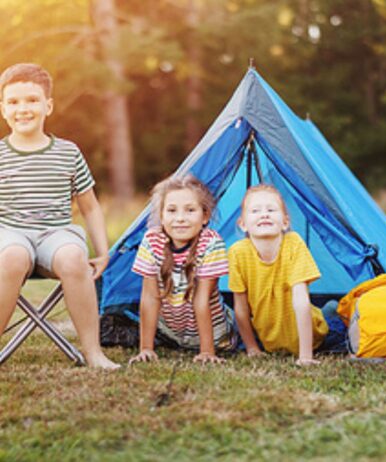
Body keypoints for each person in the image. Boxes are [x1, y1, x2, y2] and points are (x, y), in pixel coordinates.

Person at [0, 63, 119, 369]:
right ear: (2, 109)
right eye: (13, 102)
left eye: (31, 100)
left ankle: (93, 352)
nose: (22, 109)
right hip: (11, 234)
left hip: (56, 233)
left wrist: (103, 252)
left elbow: (90, 207)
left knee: (72, 258)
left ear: (48, 105)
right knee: (12, 255)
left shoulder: (67, 152)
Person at [228, 184, 346, 366]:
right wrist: (252, 347)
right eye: (255, 210)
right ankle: (328, 309)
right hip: (269, 338)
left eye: (271, 209)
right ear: (243, 224)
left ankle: (329, 312)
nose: (264, 214)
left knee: (342, 335)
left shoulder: (293, 244)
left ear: (285, 222)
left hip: (313, 335)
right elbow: (241, 307)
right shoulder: (238, 252)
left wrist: (306, 355)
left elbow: (300, 300)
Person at [129, 175, 235, 364]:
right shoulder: (152, 240)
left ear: (205, 216)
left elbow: (202, 300)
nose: (180, 219)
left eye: (190, 210)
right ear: (161, 216)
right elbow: (150, 297)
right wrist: (146, 348)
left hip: (215, 335)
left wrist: (207, 351)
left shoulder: (211, 243)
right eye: (171, 210)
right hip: (169, 334)